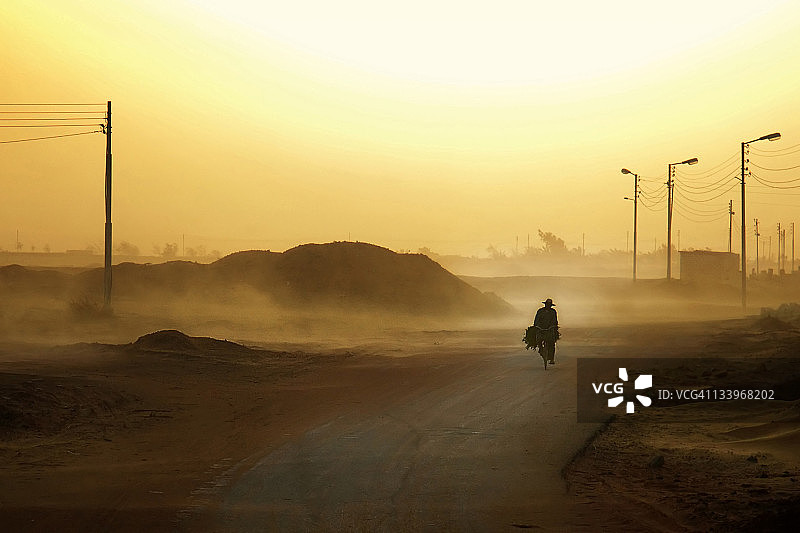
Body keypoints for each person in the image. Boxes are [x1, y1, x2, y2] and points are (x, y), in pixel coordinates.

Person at [533, 298, 559, 364]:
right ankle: (540, 349)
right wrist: (536, 325)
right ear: (545, 304)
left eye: (549, 305)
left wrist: (553, 326)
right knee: (538, 339)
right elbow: (536, 319)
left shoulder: (553, 312)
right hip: (540, 328)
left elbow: (555, 320)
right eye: (547, 304)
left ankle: (552, 359)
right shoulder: (540, 311)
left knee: (552, 343)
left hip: (550, 329)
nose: (548, 306)